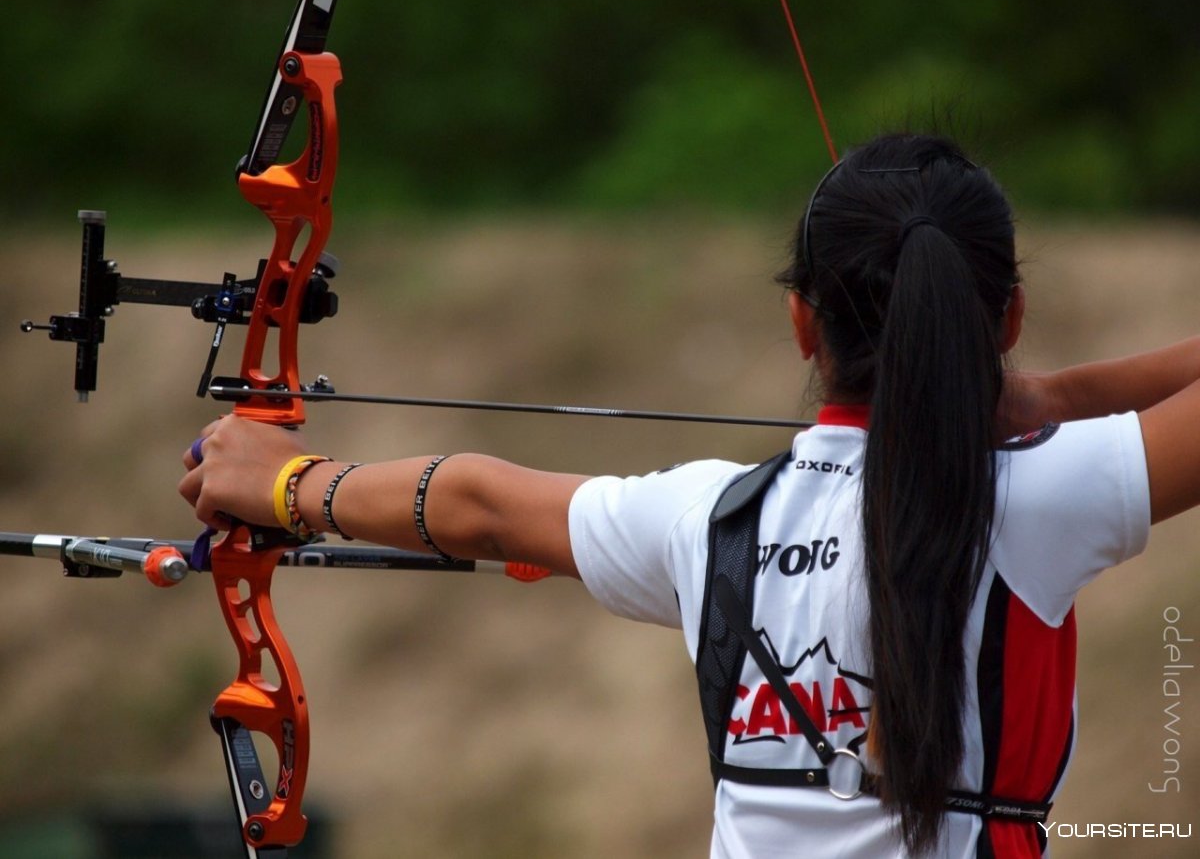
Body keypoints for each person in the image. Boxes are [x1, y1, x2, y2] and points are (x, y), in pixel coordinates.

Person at [180, 133, 1200, 857]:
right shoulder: (1034, 501)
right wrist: (1060, 397)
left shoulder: (716, 519)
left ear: (804, 326)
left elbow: (479, 503)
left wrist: (281, 482)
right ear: (1008, 318)